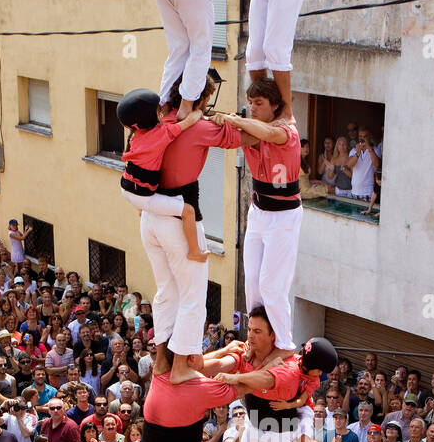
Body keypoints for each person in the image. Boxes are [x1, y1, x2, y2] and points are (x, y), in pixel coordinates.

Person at [212, 79, 301, 351]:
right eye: (250, 103)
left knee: (272, 286)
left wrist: (233, 120)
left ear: (275, 105)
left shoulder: (287, 130)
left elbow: (269, 134)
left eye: (258, 103)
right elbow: (238, 136)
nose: (252, 108)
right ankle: (256, 338)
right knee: (251, 282)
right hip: (258, 212)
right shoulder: (252, 128)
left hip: (283, 216)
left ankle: (284, 345)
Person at [118, 89, 202, 265]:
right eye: (158, 111)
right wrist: (200, 110)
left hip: (127, 187)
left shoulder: (137, 134)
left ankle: (142, 209)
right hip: (141, 197)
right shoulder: (161, 135)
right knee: (188, 211)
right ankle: (195, 252)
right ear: (149, 118)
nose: (162, 113)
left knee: (144, 198)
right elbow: (190, 121)